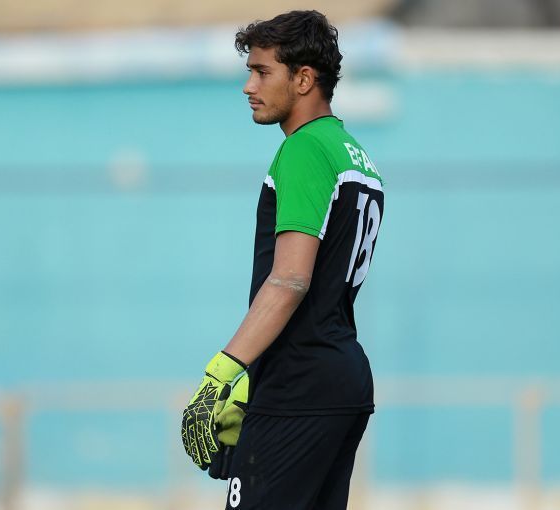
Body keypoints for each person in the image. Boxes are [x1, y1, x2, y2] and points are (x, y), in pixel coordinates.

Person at [181, 10, 384, 509]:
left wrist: (221, 374)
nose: (248, 86)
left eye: (261, 71)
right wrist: (255, 381)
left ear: (303, 79)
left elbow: (291, 279)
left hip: (301, 384)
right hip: (339, 377)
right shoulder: (353, 154)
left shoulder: (305, 150)